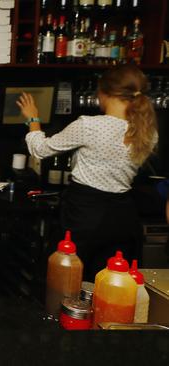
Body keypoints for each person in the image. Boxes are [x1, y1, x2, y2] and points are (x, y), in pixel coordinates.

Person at [17, 64, 158, 280]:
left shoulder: (89, 126)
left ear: (104, 93)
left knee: (66, 280)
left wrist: (33, 118)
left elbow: (40, 149)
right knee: (110, 284)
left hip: (84, 215)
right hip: (123, 218)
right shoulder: (148, 132)